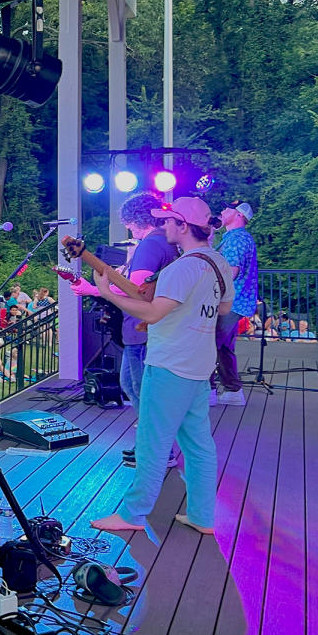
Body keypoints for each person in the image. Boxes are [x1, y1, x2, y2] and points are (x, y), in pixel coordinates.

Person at [91, 196, 234, 537]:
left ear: (184, 226)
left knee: (152, 442)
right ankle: (203, 515)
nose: (163, 226)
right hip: (199, 365)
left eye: (169, 221)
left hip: (170, 365)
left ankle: (132, 514)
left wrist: (107, 292)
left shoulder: (182, 268)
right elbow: (224, 309)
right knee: (198, 443)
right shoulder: (217, 262)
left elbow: (153, 314)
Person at [70, 192, 178, 467]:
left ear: (136, 220)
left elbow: (138, 289)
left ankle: (157, 453)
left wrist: (96, 289)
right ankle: (149, 446)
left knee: (144, 390)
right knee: (131, 384)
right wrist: (96, 288)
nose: (128, 229)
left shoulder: (150, 245)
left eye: (128, 223)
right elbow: (136, 284)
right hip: (145, 330)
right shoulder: (162, 243)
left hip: (144, 330)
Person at [212, 200, 259, 407]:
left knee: (208, 345)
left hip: (229, 302)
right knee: (222, 348)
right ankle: (232, 390)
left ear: (239, 215)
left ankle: (208, 391)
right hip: (237, 302)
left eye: (227, 209)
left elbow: (230, 272)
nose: (222, 211)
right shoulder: (238, 238)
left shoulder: (236, 239)